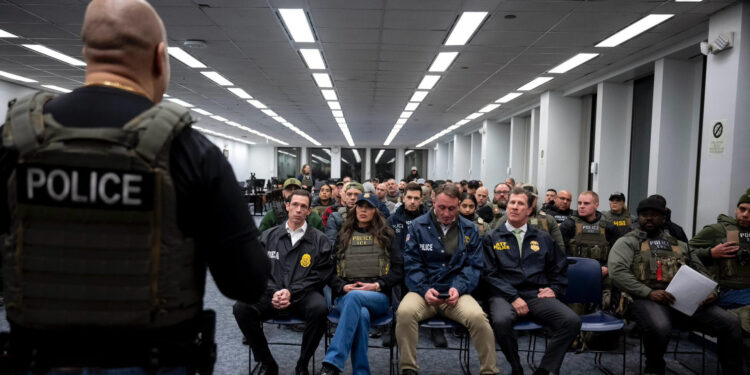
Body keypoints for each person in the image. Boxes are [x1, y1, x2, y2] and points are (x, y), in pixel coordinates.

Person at [0, 0, 271, 373]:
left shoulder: (17, 142)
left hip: (37, 360)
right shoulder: (190, 151)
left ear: (87, 52)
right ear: (160, 57)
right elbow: (247, 282)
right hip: (152, 361)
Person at [608, 197, 743, 375]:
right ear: (638, 218)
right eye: (644, 215)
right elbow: (617, 272)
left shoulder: (678, 245)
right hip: (643, 299)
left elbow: (703, 272)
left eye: (654, 215)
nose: (648, 218)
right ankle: (655, 366)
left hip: (683, 301)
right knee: (660, 326)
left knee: (731, 322)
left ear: (664, 218)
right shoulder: (628, 242)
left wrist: (712, 292)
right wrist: (649, 292)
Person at [396, 183, 499, 375]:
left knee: (479, 318)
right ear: (433, 202)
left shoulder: (470, 229)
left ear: (459, 204)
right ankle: (408, 368)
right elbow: (411, 265)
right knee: (404, 313)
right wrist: (425, 289)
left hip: (455, 293)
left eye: (452, 208)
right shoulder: (418, 226)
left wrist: (458, 288)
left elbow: (473, 266)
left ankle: (489, 371)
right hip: (424, 291)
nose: (446, 213)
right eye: (441, 207)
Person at [482, 187, 580, 375]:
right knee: (501, 321)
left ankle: (544, 370)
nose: (515, 207)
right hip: (503, 294)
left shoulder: (542, 237)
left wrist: (555, 289)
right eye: (512, 203)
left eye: (520, 204)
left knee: (571, 321)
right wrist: (512, 297)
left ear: (529, 210)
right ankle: (516, 366)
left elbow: (558, 267)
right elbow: (488, 274)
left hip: (536, 294)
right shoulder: (491, 237)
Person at [234, 190, 332, 375]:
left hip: (303, 295)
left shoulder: (320, 240)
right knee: (241, 307)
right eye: (294, 204)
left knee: (320, 309)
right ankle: (267, 362)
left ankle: (302, 364)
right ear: (287, 206)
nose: (298, 210)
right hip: (271, 294)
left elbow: (321, 275)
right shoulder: (268, 236)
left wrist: (291, 291)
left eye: (303, 206)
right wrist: (275, 292)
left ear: (309, 211)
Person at [320, 193, 403, 375]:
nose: (363, 210)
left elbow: (398, 270)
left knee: (355, 298)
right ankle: (361, 371)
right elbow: (329, 270)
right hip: (346, 294)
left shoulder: (387, 235)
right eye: (360, 206)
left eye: (368, 207)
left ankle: (332, 362)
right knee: (362, 314)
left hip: (378, 296)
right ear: (354, 208)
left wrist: (377, 286)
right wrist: (341, 286)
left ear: (376, 210)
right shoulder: (343, 235)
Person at [690, 189, 750, 334]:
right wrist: (710, 253)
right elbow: (686, 251)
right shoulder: (718, 230)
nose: (746, 215)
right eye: (742, 209)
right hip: (723, 291)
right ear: (736, 209)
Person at [492, 184, 565, 251]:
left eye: (531, 198)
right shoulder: (506, 219)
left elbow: (559, 248)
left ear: (536, 199)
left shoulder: (548, 220)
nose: (529, 201)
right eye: (526, 198)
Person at [259, 178, 324, 233]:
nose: (293, 192)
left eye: (296, 189)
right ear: (283, 192)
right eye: (289, 189)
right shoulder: (271, 216)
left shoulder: (313, 218)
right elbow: (261, 240)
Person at [325, 182, 365, 246]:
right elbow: (330, 243)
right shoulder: (335, 217)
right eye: (349, 194)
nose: (352, 198)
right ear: (345, 197)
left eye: (357, 195)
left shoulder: (370, 215)